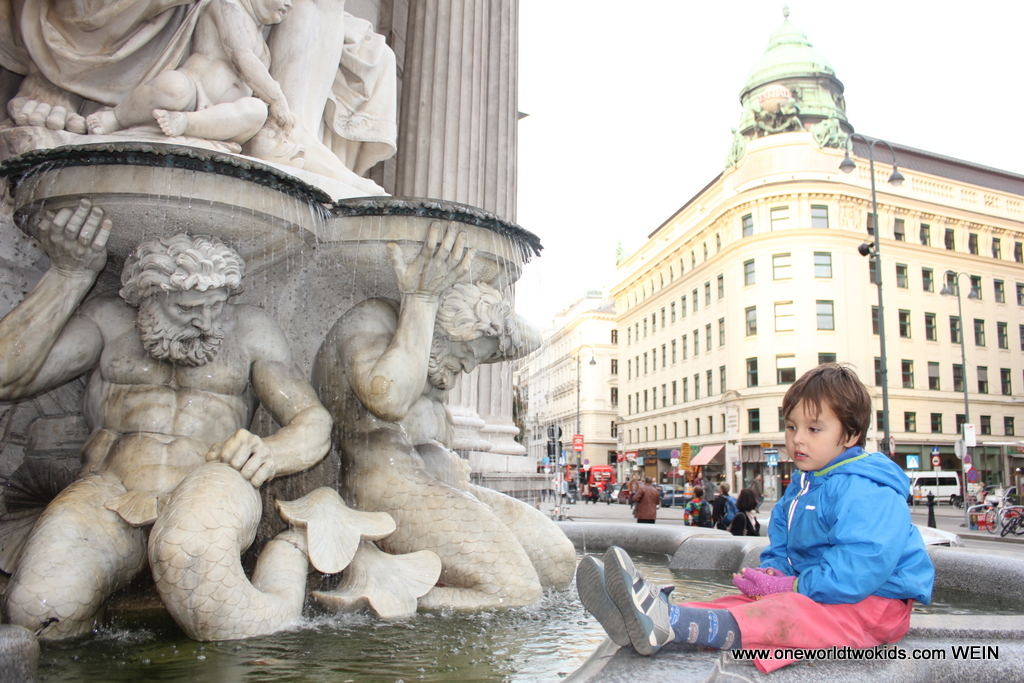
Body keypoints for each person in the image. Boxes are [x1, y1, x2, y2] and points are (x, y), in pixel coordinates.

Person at [0, 200, 333, 639]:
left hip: (211, 482)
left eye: (216, 306)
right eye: (188, 308)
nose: (207, 323)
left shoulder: (251, 330)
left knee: (206, 595)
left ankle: (286, 563)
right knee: (39, 611)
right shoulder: (108, 320)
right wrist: (69, 275)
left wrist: (271, 452)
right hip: (109, 490)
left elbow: (313, 421)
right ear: (148, 296)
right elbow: (8, 376)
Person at [576, 363, 934, 673]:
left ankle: (670, 622)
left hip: (874, 606)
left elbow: (861, 565)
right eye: (791, 427)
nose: (797, 439)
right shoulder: (802, 487)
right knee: (741, 605)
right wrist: (773, 575)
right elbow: (783, 548)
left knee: (786, 614)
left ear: (851, 435)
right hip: (822, 594)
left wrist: (792, 588)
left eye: (813, 429)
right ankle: (655, 618)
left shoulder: (865, 488)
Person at [312, 223, 576, 609]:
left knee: (558, 562)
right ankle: (384, 591)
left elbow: (530, 339)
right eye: (468, 354)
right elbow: (388, 400)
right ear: (443, 329)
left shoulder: (442, 348)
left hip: (441, 487)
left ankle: (410, 583)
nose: (468, 368)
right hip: (386, 489)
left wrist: (488, 305)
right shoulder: (377, 321)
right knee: (516, 591)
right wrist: (422, 297)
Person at [86, 0, 299, 159]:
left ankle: (184, 123)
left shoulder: (264, 49)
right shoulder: (227, 5)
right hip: (193, 90)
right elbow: (241, 56)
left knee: (257, 111)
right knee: (173, 87)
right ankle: (117, 117)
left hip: (218, 114)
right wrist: (277, 98)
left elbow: (256, 90)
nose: (289, 4)